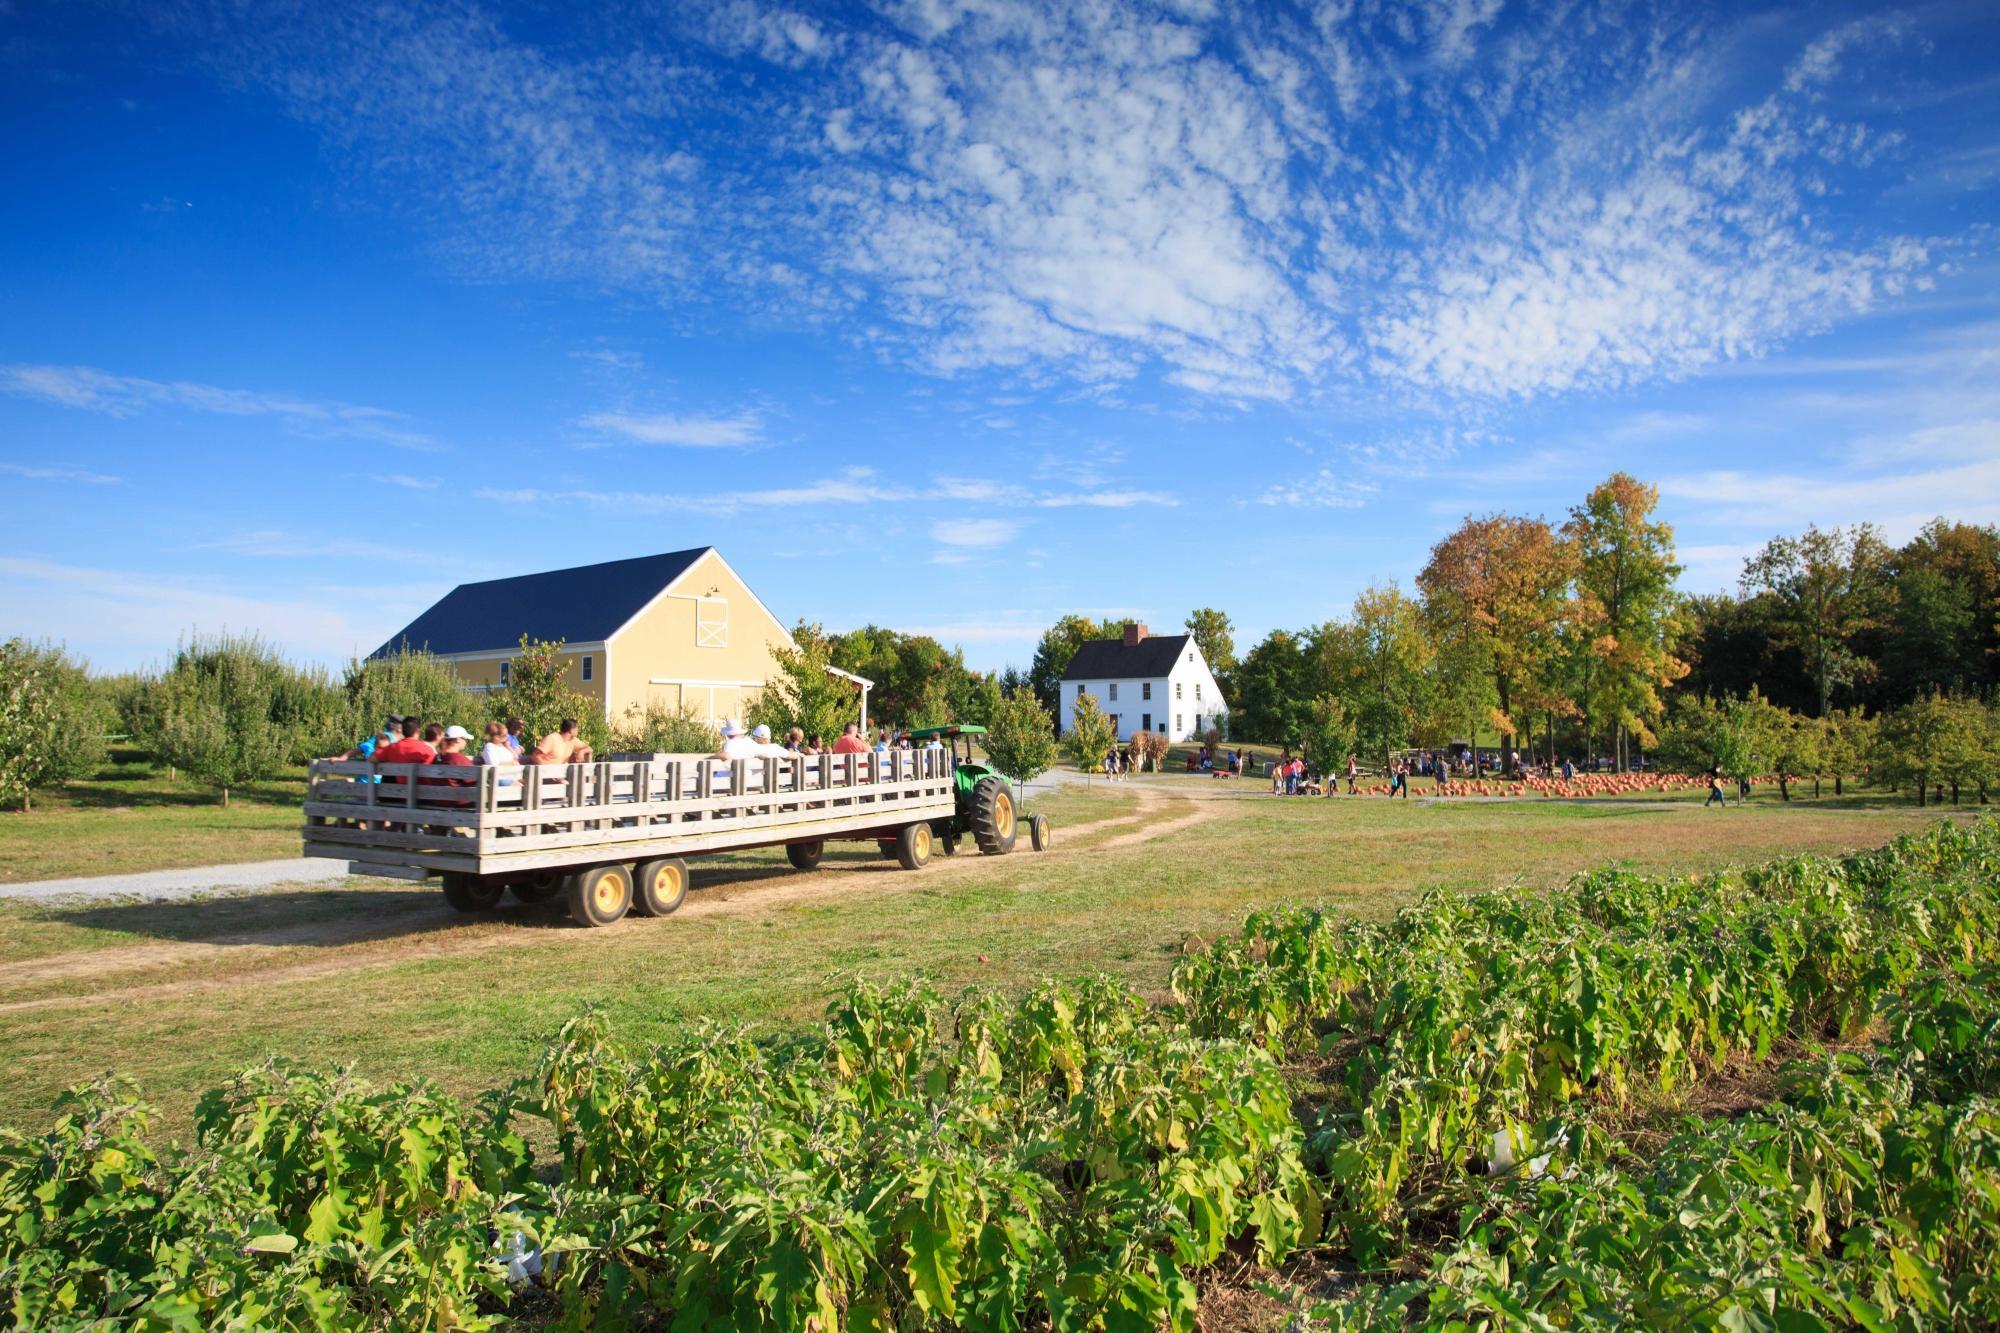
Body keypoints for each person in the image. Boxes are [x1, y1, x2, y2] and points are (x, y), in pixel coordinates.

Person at [421, 725, 478, 806]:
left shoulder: (437, 758)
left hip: (438, 801)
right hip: (459, 802)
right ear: (458, 740)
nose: (466, 741)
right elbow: (474, 780)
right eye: (465, 739)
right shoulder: (459, 759)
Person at [478, 720, 520, 787]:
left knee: (530, 783)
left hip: (511, 776)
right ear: (496, 736)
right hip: (498, 778)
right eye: (504, 735)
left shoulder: (503, 747)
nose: (507, 737)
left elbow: (514, 757)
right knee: (523, 787)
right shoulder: (490, 747)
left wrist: (508, 747)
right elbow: (493, 764)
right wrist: (511, 763)